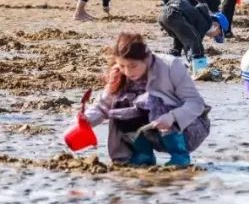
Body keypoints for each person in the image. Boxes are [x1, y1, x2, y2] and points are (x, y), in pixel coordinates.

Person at [83, 31, 209, 167]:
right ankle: (143, 156)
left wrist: (172, 117)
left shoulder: (170, 66)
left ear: (146, 58)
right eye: (122, 66)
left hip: (188, 129)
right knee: (119, 107)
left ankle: (179, 156)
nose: (128, 71)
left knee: (153, 100)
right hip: (151, 130)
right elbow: (103, 106)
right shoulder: (119, 73)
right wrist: (84, 122)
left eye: (133, 66)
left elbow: (196, 103)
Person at [157, 0, 227, 78]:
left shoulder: (198, 15)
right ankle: (199, 70)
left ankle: (167, 65)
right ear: (216, 25)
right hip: (174, 15)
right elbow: (195, 42)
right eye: (218, 34)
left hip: (163, 16)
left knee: (179, 43)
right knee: (195, 40)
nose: (214, 37)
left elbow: (187, 41)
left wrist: (190, 61)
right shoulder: (205, 22)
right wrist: (199, 63)